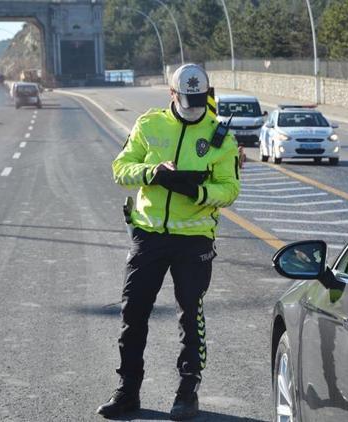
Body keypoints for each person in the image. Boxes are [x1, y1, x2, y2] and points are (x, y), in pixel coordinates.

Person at [97, 64, 240, 420]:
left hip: (194, 239)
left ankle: (186, 390)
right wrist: (151, 173)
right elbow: (120, 168)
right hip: (149, 235)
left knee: (190, 314)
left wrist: (199, 190)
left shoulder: (220, 136)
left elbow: (230, 189)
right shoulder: (149, 124)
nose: (194, 110)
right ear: (172, 94)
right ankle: (128, 390)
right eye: (187, 101)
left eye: (200, 101)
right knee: (133, 312)